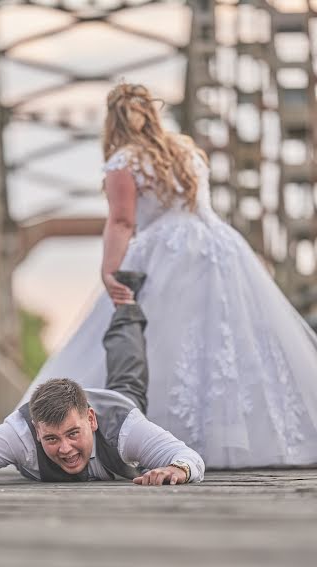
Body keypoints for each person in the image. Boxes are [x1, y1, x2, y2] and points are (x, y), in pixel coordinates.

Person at [17, 82, 317, 470]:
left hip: (165, 251)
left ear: (113, 121)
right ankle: (251, 437)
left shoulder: (124, 161)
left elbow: (123, 221)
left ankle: (155, 440)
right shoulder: (187, 151)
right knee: (228, 341)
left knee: (159, 338)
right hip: (219, 248)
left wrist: (110, 271)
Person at [0, 272, 205, 487]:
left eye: (73, 433)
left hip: (119, 401)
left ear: (91, 420)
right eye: (51, 438)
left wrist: (177, 469)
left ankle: (126, 308)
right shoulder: (18, 434)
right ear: (36, 431)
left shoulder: (125, 427)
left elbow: (189, 458)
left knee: (128, 373)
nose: (65, 448)